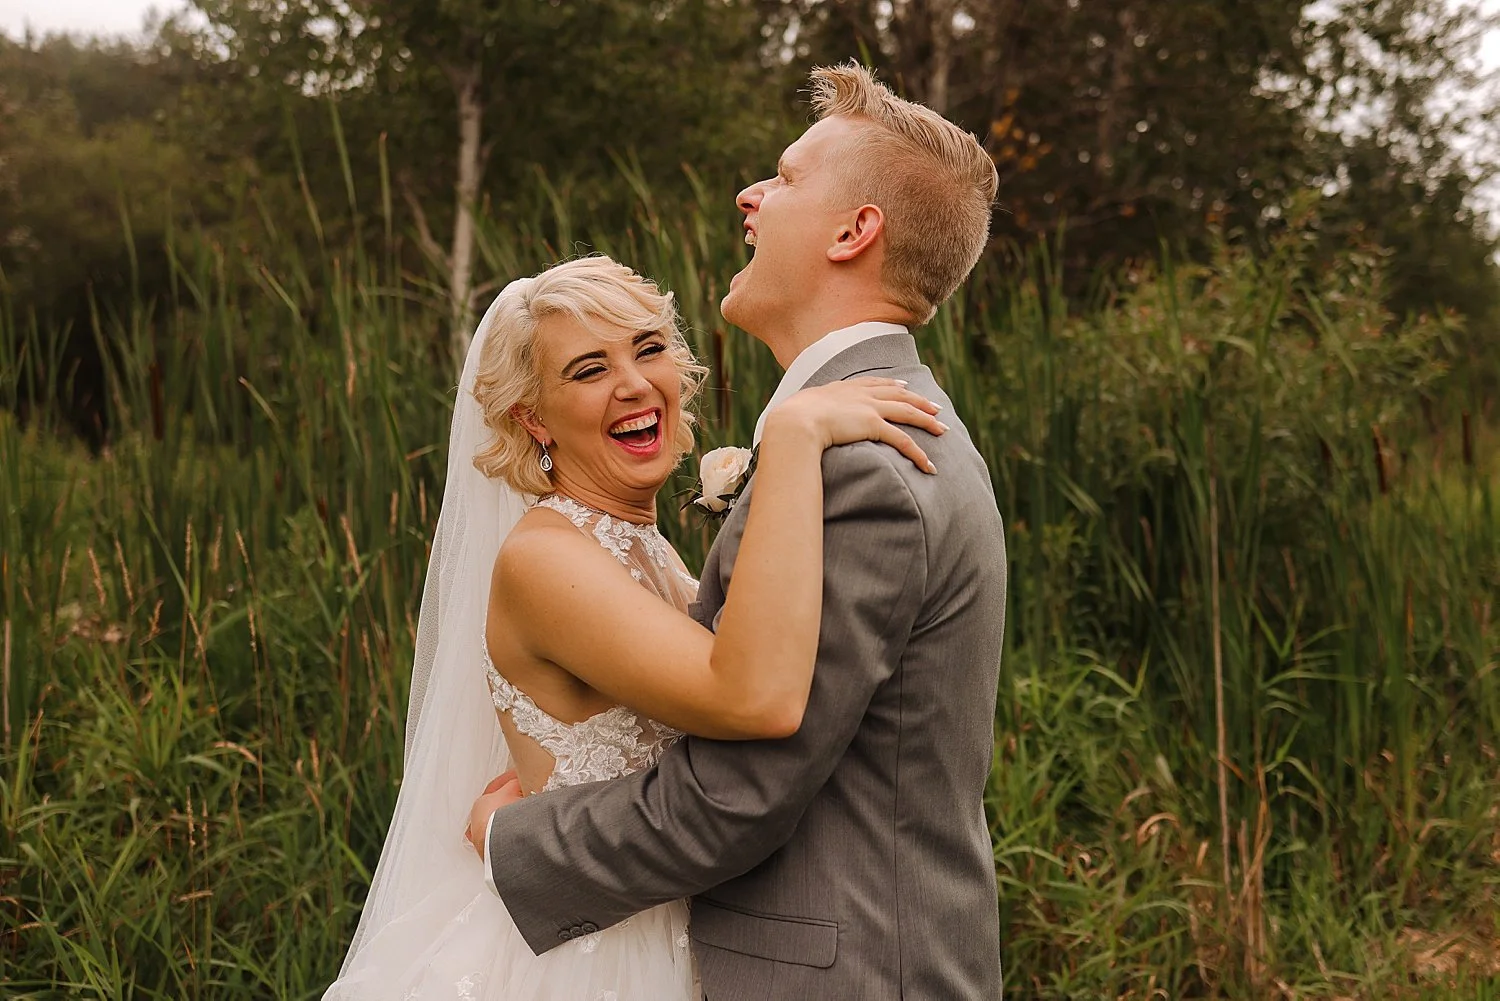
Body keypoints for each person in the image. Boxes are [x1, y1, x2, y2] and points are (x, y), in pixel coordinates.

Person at [474, 62, 1007, 1000]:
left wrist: (509, 838)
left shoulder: (858, 463)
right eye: (589, 368)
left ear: (854, 232)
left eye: (787, 177)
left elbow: (739, 791)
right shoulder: (881, 428)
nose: (749, 195)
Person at [324, 253, 945, 1000]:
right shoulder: (545, 560)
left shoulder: (642, 548)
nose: (634, 384)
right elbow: (748, 696)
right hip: (595, 957)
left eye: (648, 349)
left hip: (676, 925)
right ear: (532, 418)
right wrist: (792, 440)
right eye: (589, 370)